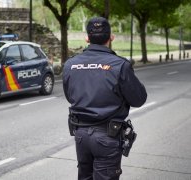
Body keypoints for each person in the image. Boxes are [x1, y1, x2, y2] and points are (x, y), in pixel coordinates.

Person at [62, 17, 147, 180]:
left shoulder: (70, 65)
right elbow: (139, 99)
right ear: (111, 37)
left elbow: (69, 96)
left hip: (81, 135)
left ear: (87, 38)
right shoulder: (120, 65)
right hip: (107, 137)